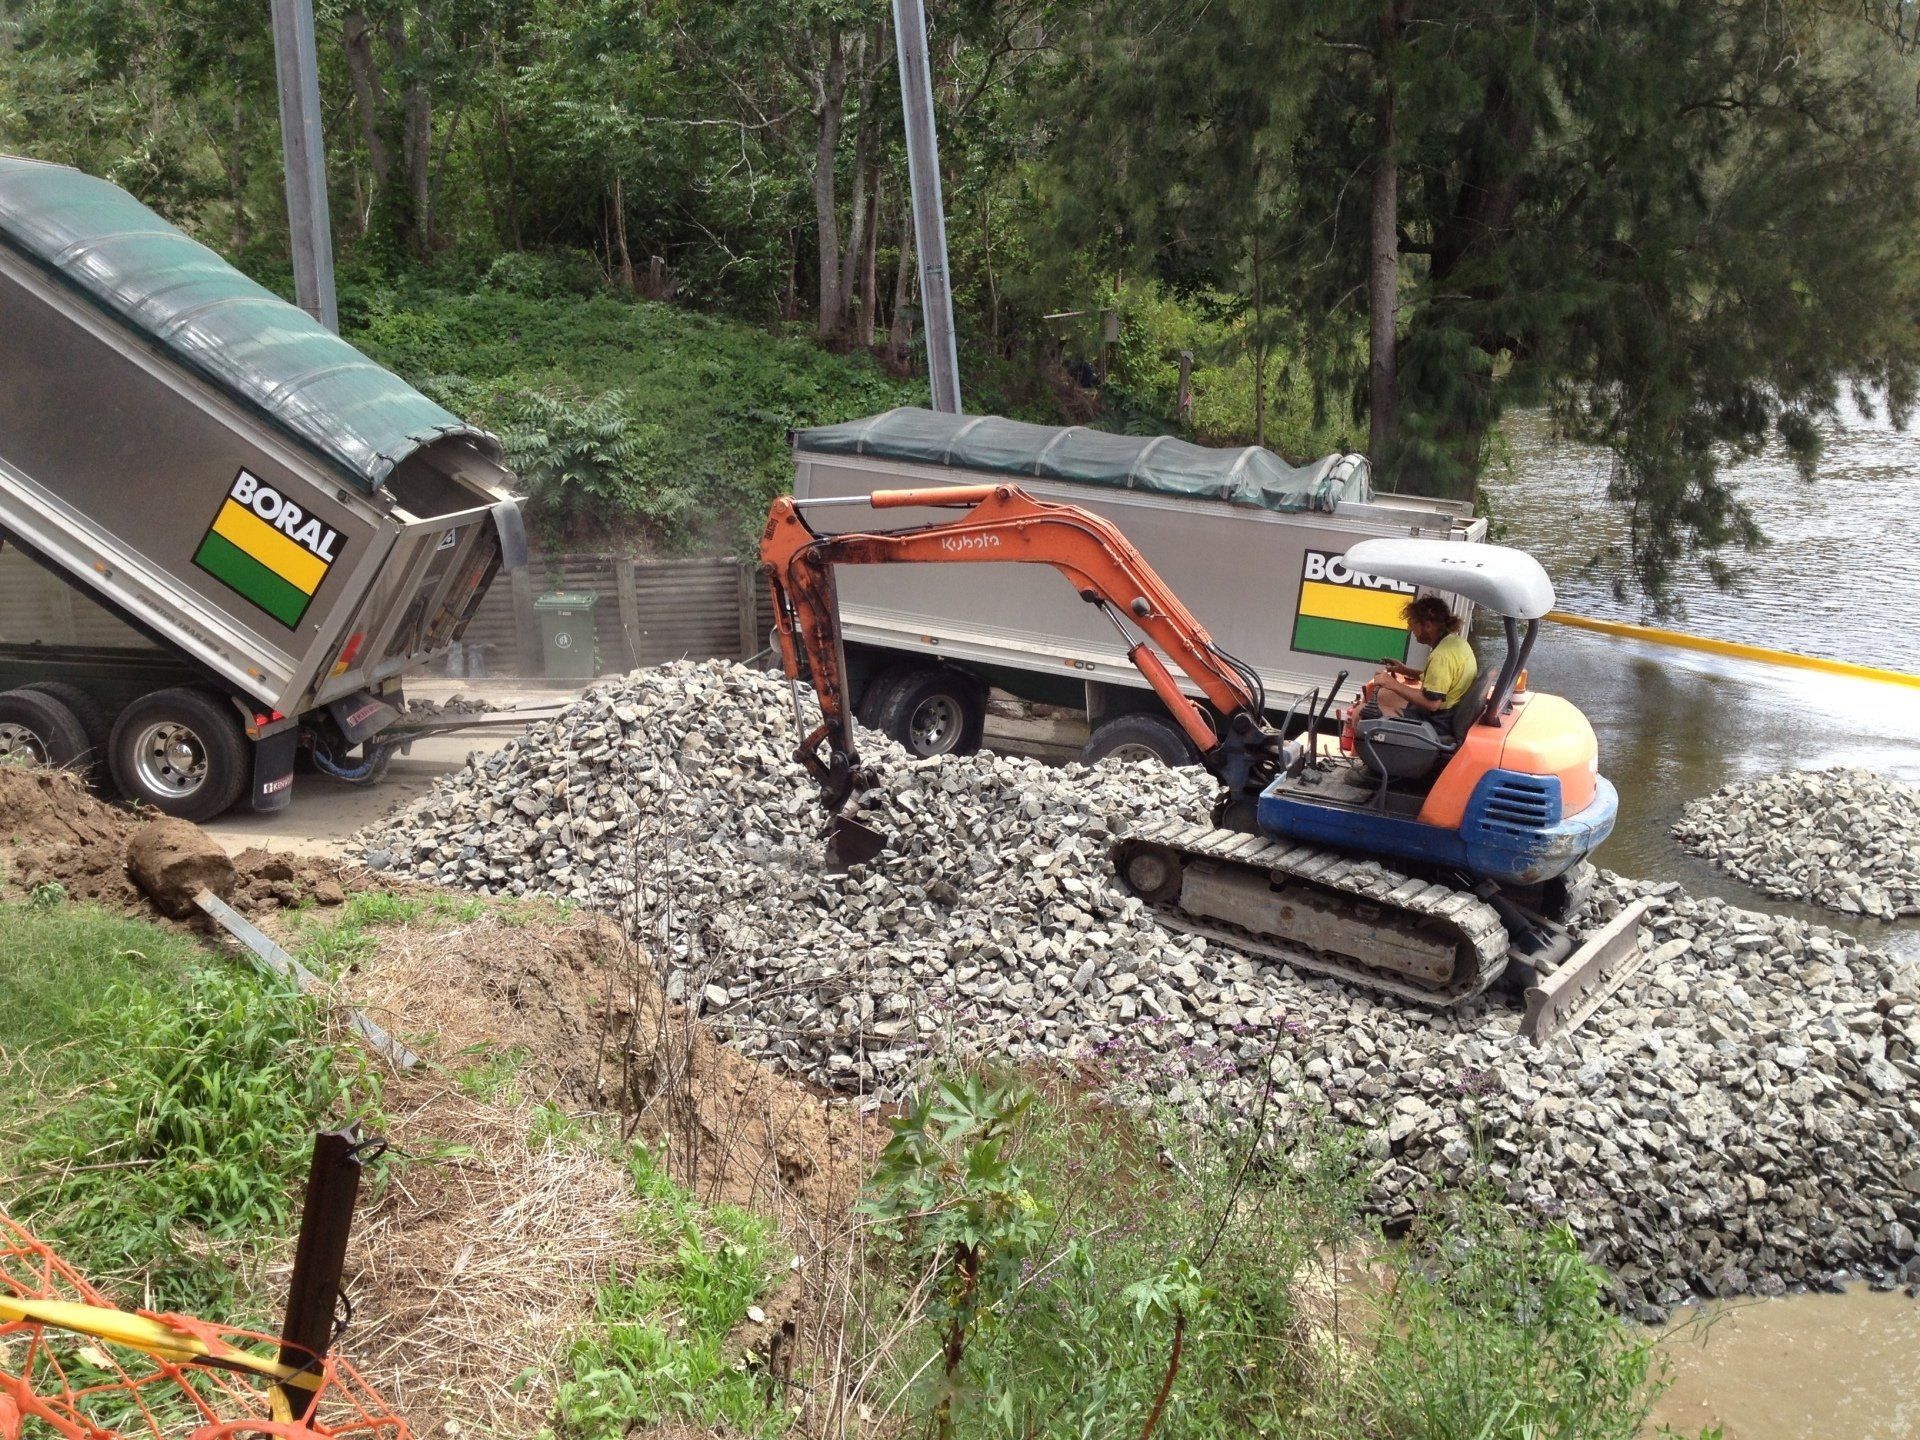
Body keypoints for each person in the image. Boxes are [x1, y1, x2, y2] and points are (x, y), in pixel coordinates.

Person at [1370, 596, 1476, 722]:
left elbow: (1432, 704)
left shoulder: (1441, 657)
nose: (1410, 629)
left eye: (1412, 624)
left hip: (1437, 721)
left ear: (1428, 626)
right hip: (1448, 713)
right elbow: (1438, 680)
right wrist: (1405, 670)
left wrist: (1392, 684)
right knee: (1383, 695)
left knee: (1361, 713)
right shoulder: (1457, 642)